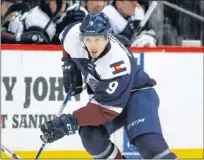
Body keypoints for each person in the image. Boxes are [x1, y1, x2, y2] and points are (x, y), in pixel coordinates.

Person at [40, 13, 177, 159]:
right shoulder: (73, 35)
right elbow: (65, 37)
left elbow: (102, 110)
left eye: (98, 39)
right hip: (107, 98)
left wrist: (69, 122)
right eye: (88, 39)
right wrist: (69, 65)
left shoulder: (117, 63)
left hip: (136, 94)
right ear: (81, 37)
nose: (93, 45)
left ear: (108, 37)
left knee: (149, 144)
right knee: (91, 135)